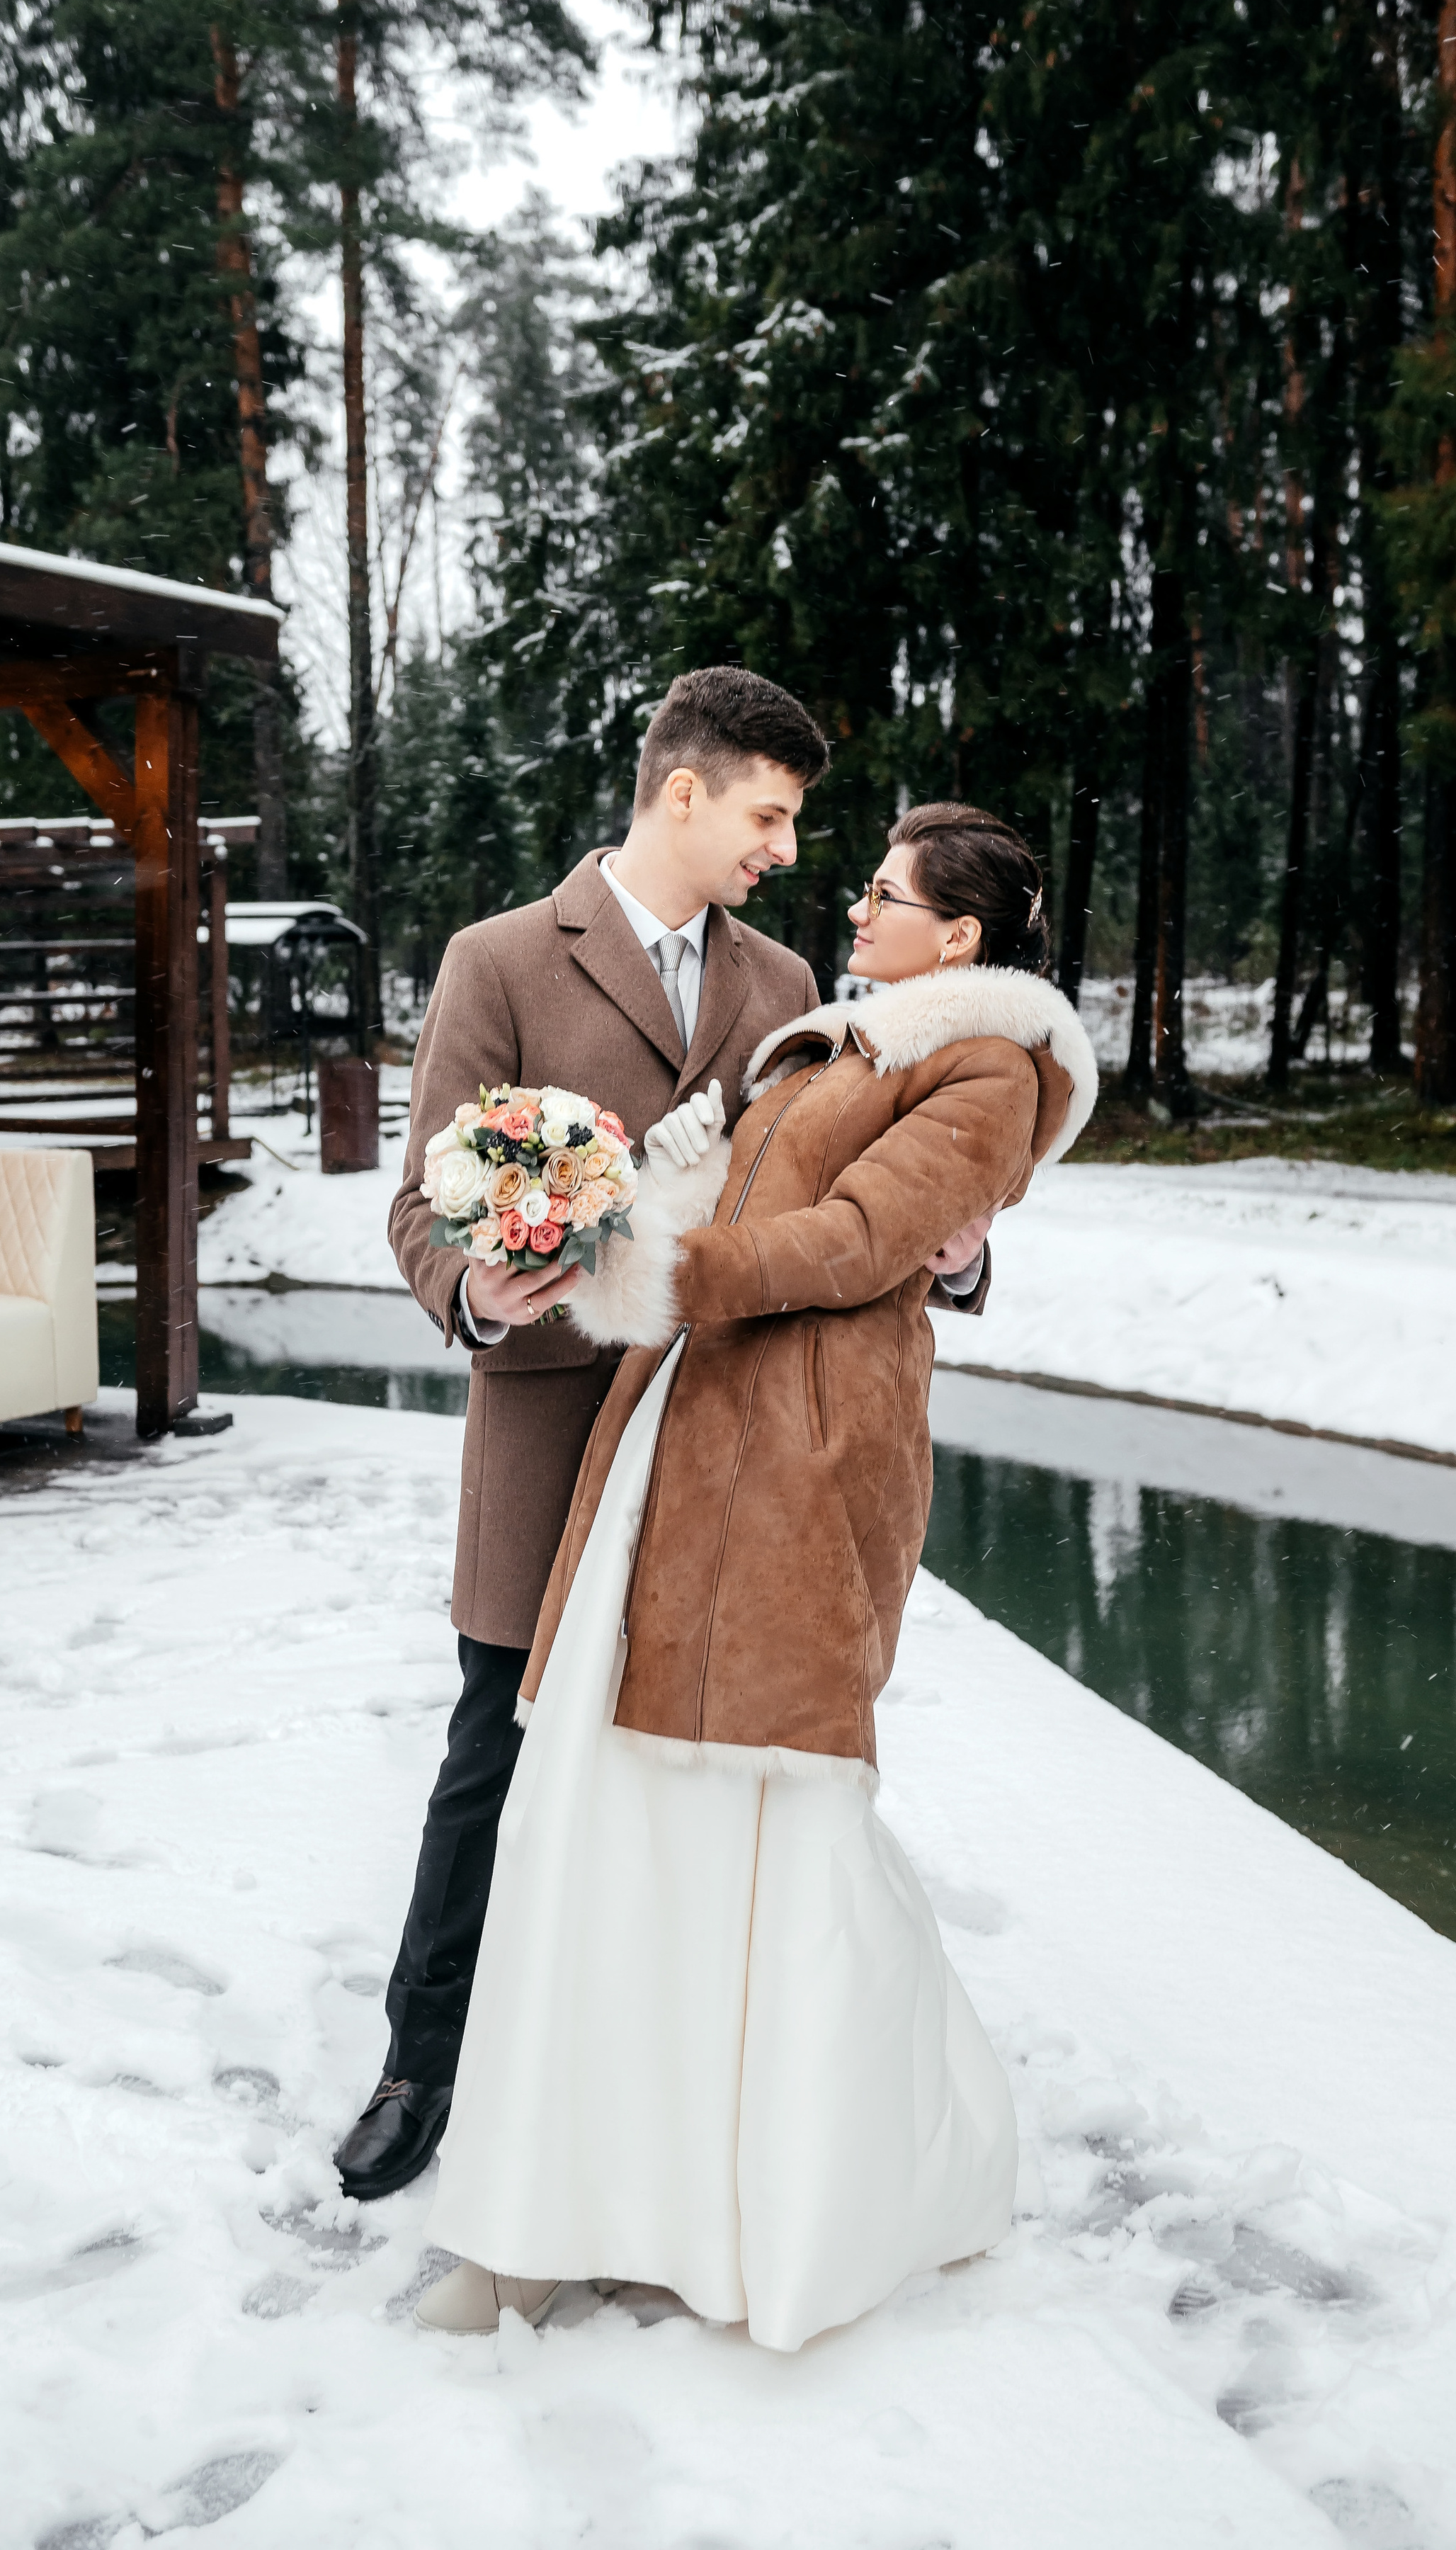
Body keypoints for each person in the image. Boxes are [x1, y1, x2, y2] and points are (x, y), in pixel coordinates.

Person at [416, 802, 1098, 2349]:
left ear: (960, 934)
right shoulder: (841, 1040)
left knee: (768, 1824)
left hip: (797, 1463)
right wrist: (611, 1206)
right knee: (601, 1806)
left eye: (883, 892)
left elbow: (857, 1239)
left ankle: (787, 2196)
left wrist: (672, 1271)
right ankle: (564, 2198)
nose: (850, 904)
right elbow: (746, 1192)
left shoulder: (986, 1064)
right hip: (679, 1435)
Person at [334, 679, 994, 2202]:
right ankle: (422, 2062)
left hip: (722, 1441)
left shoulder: (791, 984)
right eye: (769, 814)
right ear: (682, 793)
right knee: (493, 1749)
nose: (784, 849)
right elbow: (418, 1200)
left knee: (673, 1768)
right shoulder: (498, 958)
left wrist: (958, 1257)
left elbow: (868, 1188)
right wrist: (474, 1289)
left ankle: (634, 2076)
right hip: (548, 1422)